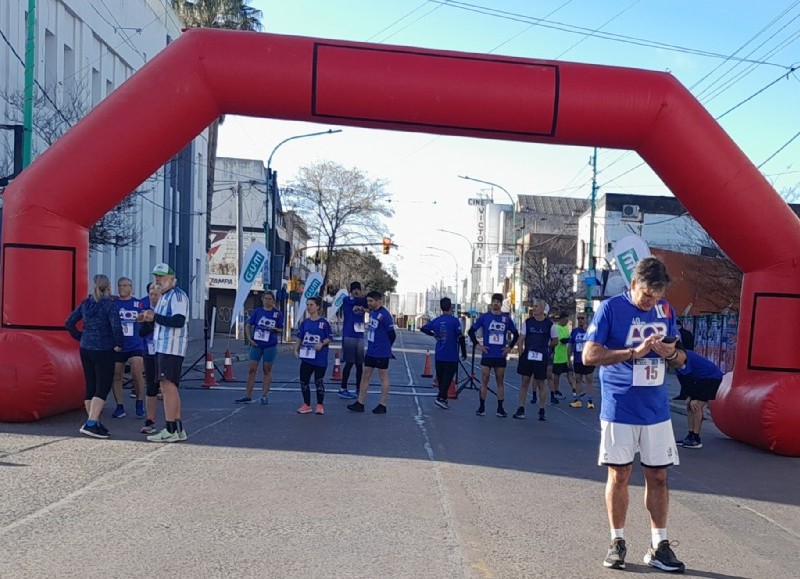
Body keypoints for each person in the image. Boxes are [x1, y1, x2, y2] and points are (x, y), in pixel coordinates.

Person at [583, 256, 686, 573]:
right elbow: (589, 355)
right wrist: (633, 353)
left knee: (659, 476)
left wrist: (671, 353)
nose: (651, 302)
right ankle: (617, 542)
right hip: (620, 406)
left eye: (657, 296)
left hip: (656, 408)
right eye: (646, 296)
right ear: (632, 286)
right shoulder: (611, 309)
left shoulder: (665, 310)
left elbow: (681, 358)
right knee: (620, 475)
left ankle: (659, 545)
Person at [65, 274, 124, 439]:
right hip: (104, 348)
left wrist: (80, 336)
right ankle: (91, 423)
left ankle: (95, 421)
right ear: (109, 287)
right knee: (103, 386)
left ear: (94, 286)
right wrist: (119, 343)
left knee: (90, 384)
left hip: (85, 348)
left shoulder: (86, 304)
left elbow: (69, 322)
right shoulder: (109, 306)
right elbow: (116, 327)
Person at [138, 263, 189, 443]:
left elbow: (178, 321)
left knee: (168, 387)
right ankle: (177, 428)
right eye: (156, 276)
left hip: (172, 347)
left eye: (162, 276)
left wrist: (155, 317)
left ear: (171, 278)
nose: (158, 280)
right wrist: (146, 320)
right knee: (168, 387)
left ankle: (170, 429)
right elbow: (156, 322)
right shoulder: (163, 297)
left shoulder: (177, 296)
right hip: (162, 347)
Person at [467, 293, 519, 418]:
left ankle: (500, 408)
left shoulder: (506, 319)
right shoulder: (485, 317)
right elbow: (471, 331)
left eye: (498, 302)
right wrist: (478, 345)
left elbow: (516, 334)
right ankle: (481, 407)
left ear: (501, 304)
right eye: (494, 301)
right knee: (484, 379)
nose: (496, 303)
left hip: (500, 355)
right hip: (487, 354)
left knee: (500, 380)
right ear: (491, 303)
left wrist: (509, 348)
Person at [347, 291, 396, 414]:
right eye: (368, 301)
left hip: (381, 352)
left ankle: (382, 404)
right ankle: (360, 402)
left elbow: (392, 334)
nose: (369, 303)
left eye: (371, 301)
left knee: (383, 377)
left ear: (379, 301)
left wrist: (386, 347)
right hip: (371, 351)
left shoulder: (385, 315)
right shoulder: (373, 312)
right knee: (365, 375)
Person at [235, 291, 283, 404]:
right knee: (252, 370)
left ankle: (264, 395)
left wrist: (274, 329)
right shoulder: (258, 311)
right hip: (257, 344)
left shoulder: (278, 314)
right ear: (262, 300)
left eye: (270, 299)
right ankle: (247, 394)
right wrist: (250, 339)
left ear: (273, 301)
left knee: (267, 370)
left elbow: (281, 329)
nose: (268, 301)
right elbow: (248, 325)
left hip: (270, 345)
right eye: (266, 298)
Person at [109, 277, 147, 419]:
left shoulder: (138, 304)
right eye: (120, 285)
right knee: (117, 375)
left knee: (136, 372)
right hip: (119, 345)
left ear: (131, 288)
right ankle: (119, 406)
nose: (122, 288)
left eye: (125, 285)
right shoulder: (114, 304)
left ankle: (139, 401)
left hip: (135, 344)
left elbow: (147, 320)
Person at [420, 297, 467, 410]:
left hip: (439, 354)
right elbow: (461, 337)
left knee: (441, 377)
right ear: (450, 307)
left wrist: (433, 335)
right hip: (451, 355)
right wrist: (464, 352)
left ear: (441, 308)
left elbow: (423, 328)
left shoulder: (437, 321)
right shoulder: (454, 321)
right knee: (448, 377)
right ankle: (440, 398)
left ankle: (443, 398)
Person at [513, 299, 557, 421]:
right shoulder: (528, 322)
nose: (534, 308)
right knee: (525, 382)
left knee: (541, 383)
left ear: (543, 309)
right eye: (534, 306)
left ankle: (542, 409)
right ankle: (521, 408)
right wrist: (521, 354)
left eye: (537, 306)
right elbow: (521, 339)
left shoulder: (550, 324)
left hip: (541, 356)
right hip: (528, 356)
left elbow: (555, 340)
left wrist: (548, 347)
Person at [675, 350, 722, 449]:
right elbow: (684, 381)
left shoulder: (684, 357)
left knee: (697, 406)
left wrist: (694, 397)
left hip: (711, 378)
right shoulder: (674, 361)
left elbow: (689, 378)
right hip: (699, 379)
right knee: (689, 405)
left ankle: (696, 438)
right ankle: (690, 435)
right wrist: (688, 396)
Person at [295, 297, 333, 414]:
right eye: (307, 304)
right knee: (304, 381)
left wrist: (322, 343)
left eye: (311, 305)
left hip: (320, 359)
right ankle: (306, 404)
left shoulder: (324, 323)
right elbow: (300, 338)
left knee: (318, 381)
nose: (309, 307)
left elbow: (330, 338)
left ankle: (320, 405)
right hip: (307, 357)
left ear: (317, 307)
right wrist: (296, 349)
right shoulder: (305, 323)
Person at [139, 283, 162, 434]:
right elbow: (141, 332)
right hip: (150, 349)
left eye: (156, 295)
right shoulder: (147, 311)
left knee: (167, 386)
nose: (153, 298)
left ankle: (172, 421)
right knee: (151, 385)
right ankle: (150, 420)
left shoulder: (166, 309)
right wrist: (148, 322)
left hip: (167, 350)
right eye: (151, 295)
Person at [338, 281, 368, 399]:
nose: (356, 291)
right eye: (354, 289)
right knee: (349, 363)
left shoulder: (363, 303)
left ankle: (358, 388)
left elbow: (369, 306)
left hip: (360, 335)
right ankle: (343, 388)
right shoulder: (347, 300)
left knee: (359, 364)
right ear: (351, 290)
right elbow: (361, 301)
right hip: (349, 335)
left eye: (358, 289)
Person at [568, 312, 596, 409]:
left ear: (586, 319)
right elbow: (570, 345)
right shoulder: (574, 331)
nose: (580, 320)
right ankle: (578, 400)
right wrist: (568, 358)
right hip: (578, 359)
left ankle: (590, 401)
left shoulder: (591, 331)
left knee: (589, 379)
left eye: (582, 318)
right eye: (578, 318)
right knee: (578, 379)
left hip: (589, 359)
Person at [551, 311, 574, 404]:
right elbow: (563, 340)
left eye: (568, 320)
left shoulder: (566, 328)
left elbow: (568, 338)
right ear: (561, 319)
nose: (566, 322)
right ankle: (556, 390)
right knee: (557, 375)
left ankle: (574, 389)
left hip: (565, 356)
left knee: (570, 372)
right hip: (558, 356)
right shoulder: (556, 328)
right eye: (565, 320)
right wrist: (571, 339)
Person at [673, 320, 696, 400]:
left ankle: (685, 394)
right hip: (689, 355)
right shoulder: (688, 333)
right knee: (685, 376)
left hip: (680, 356)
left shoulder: (677, 335)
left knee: (683, 376)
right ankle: (685, 394)